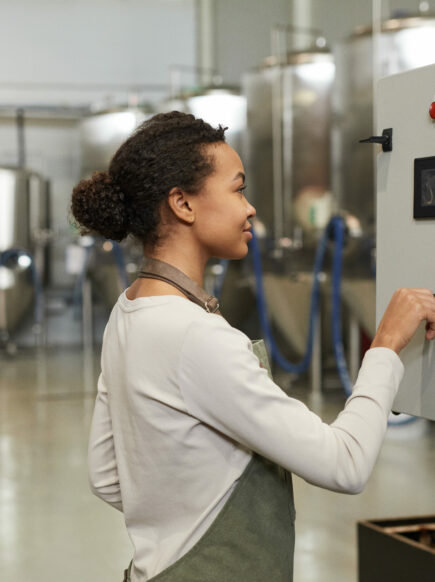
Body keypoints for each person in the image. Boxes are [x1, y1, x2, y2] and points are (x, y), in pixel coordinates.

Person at [71, 111, 435, 582]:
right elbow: (344, 464)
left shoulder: (129, 310)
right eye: (238, 188)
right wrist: (386, 344)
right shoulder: (196, 336)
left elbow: (106, 475)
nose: (250, 208)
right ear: (182, 204)